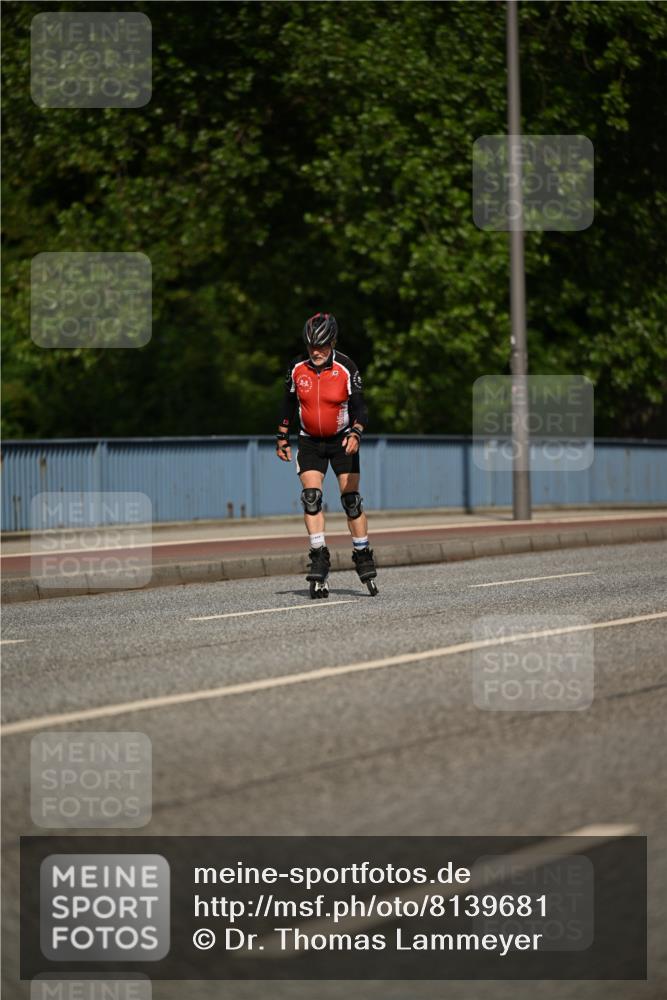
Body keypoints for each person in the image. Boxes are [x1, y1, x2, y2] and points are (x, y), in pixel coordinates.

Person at [275, 312, 378, 596]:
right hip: (310, 441)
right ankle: (319, 555)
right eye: (311, 346)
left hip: (342, 440)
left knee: (351, 501)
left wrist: (356, 432)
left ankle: (362, 553)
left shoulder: (346, 367)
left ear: (332, 342)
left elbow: (360, 407)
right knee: (311, 497)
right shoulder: (297, 367)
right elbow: (288, 402)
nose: (316, 351)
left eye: (321, 345)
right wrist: (282, 436)